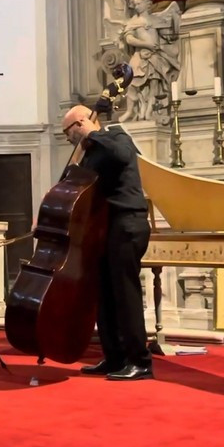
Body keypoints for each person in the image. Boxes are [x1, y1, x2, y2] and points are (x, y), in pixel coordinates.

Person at [60, 103, 153, 381]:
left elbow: (125, 156)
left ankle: (141, 361)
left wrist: (94, 134)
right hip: (104, 228)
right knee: (105, 296)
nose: (67, 138)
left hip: (127, 223)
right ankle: (114, 358)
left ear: (80, 124)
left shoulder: (116, 136)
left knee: (126, 295)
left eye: (68, 132)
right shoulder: (89, 155)